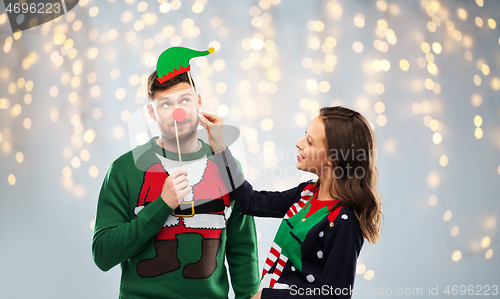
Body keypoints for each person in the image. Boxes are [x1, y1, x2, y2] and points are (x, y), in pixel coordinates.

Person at [92, 67, 260, 298]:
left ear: (198, 103)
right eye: (166, 104)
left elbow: (242, 249)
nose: (177, 111)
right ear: (152, 112)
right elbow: (103, 255)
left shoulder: (227, 166)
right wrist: (162, 205)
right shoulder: (124, 170)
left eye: (185, 100)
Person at [199, 106, 383, 298]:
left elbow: (335, 296)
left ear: (333, 158)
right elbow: (250, 202)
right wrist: (220, 147)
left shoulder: (344, 222)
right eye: (305, 136)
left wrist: (267, 297)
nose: (299, 143)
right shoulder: (306, 194)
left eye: (310, 142)